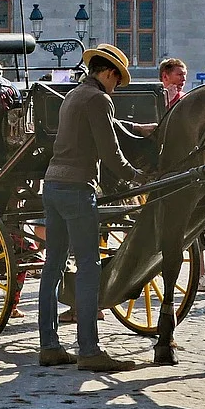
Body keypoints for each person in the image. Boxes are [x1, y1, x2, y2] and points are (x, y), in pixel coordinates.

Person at [38, 43, 140, 373]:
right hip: (77, 188)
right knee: (88, 265)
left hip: (52, 185)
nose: (116, 88)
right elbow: (110, 152)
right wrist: (136, 177)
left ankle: (50, 346)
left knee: (53, 265)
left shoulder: (73, 95)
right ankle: (89, 349)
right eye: (117, 81)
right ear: (108, 73)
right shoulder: (98, 99)